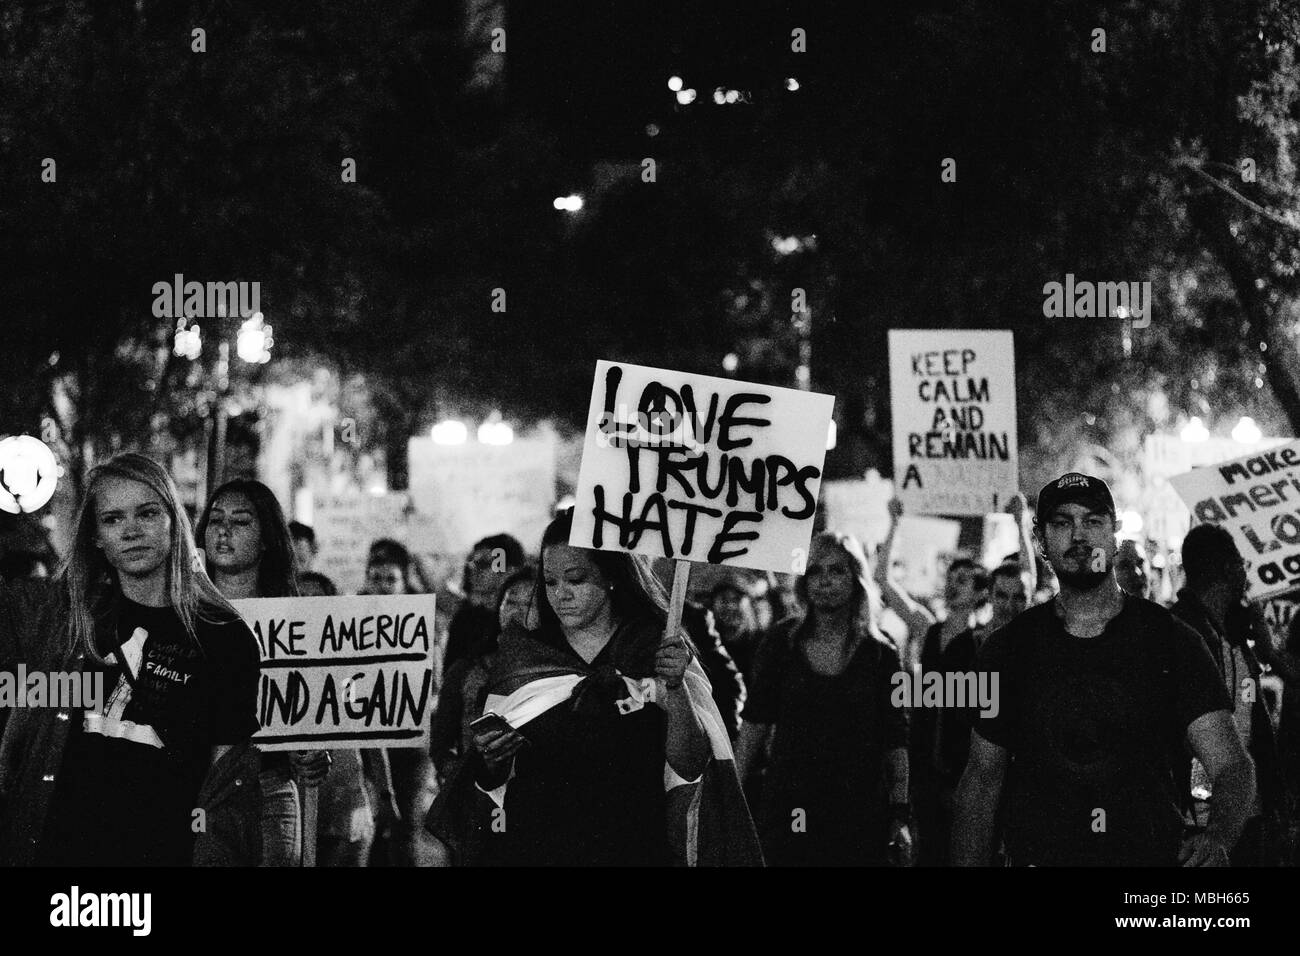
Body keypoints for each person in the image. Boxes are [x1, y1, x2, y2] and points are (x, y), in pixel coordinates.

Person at [427, 509, 761, 866]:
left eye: (576, 579)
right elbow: (496, 781)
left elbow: (690, 765)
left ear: (611, 577)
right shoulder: (525, 653)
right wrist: (491, 758)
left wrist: (677, 689)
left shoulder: (656, 647)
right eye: (551, 582)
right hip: (538, 845)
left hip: (633, 844)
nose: (561, 595)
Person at [954, 473, 1256, 866]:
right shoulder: (1009, 649)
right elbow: (980, 781)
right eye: (1063, 523)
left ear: (1112, 535)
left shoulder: (1171, 641)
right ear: (1042, 541)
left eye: (1093, 521)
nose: (1079, 536)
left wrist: (1218, 836)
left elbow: (1232, 765)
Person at [0, 452, 261, 866]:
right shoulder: (74, 621)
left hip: (162, 853)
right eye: (113, 519)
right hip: (61, 852)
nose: (131, 531)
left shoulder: (225, 636)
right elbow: (23, 729)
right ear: (96, 537)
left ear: (173, 522)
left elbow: (226, 786)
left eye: (147, 513)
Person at [735, 530, 911, 866]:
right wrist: (734, 794)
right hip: (793, 807)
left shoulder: (881, 655)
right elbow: (754, 725)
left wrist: (900, 814)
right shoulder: (780, 643)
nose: (824, 581)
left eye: (836, 570)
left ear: (856, 578)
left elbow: (896, 740)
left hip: (857, 811)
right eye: (815, 570)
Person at [196, 480, 331, 867]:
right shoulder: (181, 614)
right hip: (199, 790)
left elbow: (317, 708)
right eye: (215, 519)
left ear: (268, 538)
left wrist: (315, 753)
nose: (224, 530)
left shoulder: (297, 621)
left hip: (271, 790)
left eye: (240, 521)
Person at [1170, 524, 1286, 865]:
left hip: (1243, 814)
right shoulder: (1182, 636)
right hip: (1201, 824)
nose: (1246, 577)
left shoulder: (1233, 634)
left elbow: (1252, 723)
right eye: (1241, 566)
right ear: (1226, 568)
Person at [360, 540, 434, 866]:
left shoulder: (423, 626)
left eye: (391, 579)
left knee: (406, 828)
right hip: (365, 742)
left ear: (405, 584)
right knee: (369, 827)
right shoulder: (351, 623)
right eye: (376, 578)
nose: (383, 586)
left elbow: (435, 686)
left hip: (409, 742)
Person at [431, 564, 536, 787]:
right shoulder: (466, 669)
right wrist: (463, 775)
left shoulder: (559, 670)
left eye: (528, 604)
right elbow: (441, 744)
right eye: (511, 601)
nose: (516, 611)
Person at [443, 533, 527, 672]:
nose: (473, 570)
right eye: (472, 563)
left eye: (483, 564)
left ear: (511, 570)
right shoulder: (464, 620)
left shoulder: (526, 618)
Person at [708, 576, 765, 686]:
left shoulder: (762, 643)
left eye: (736, 599)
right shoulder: (706, 643)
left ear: (750, 605)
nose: (730, 606)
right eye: (724, 600)